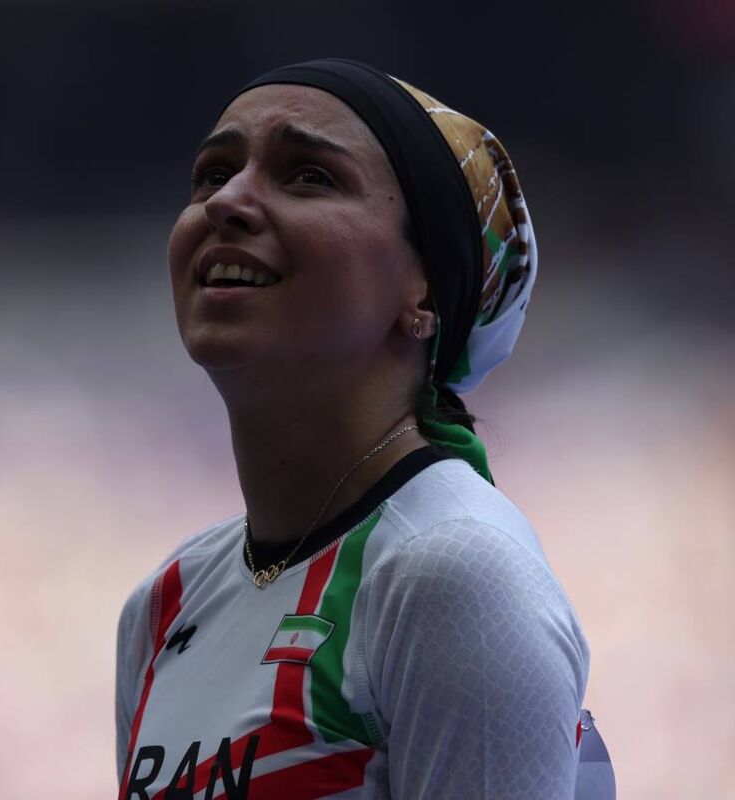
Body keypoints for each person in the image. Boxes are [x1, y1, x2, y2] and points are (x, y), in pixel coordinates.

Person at [113, 58, 615, 799]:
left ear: (424, 288)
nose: (228, 202)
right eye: (214, 173)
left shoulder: (451, 574)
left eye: (309, 176)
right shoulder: (167, 600)